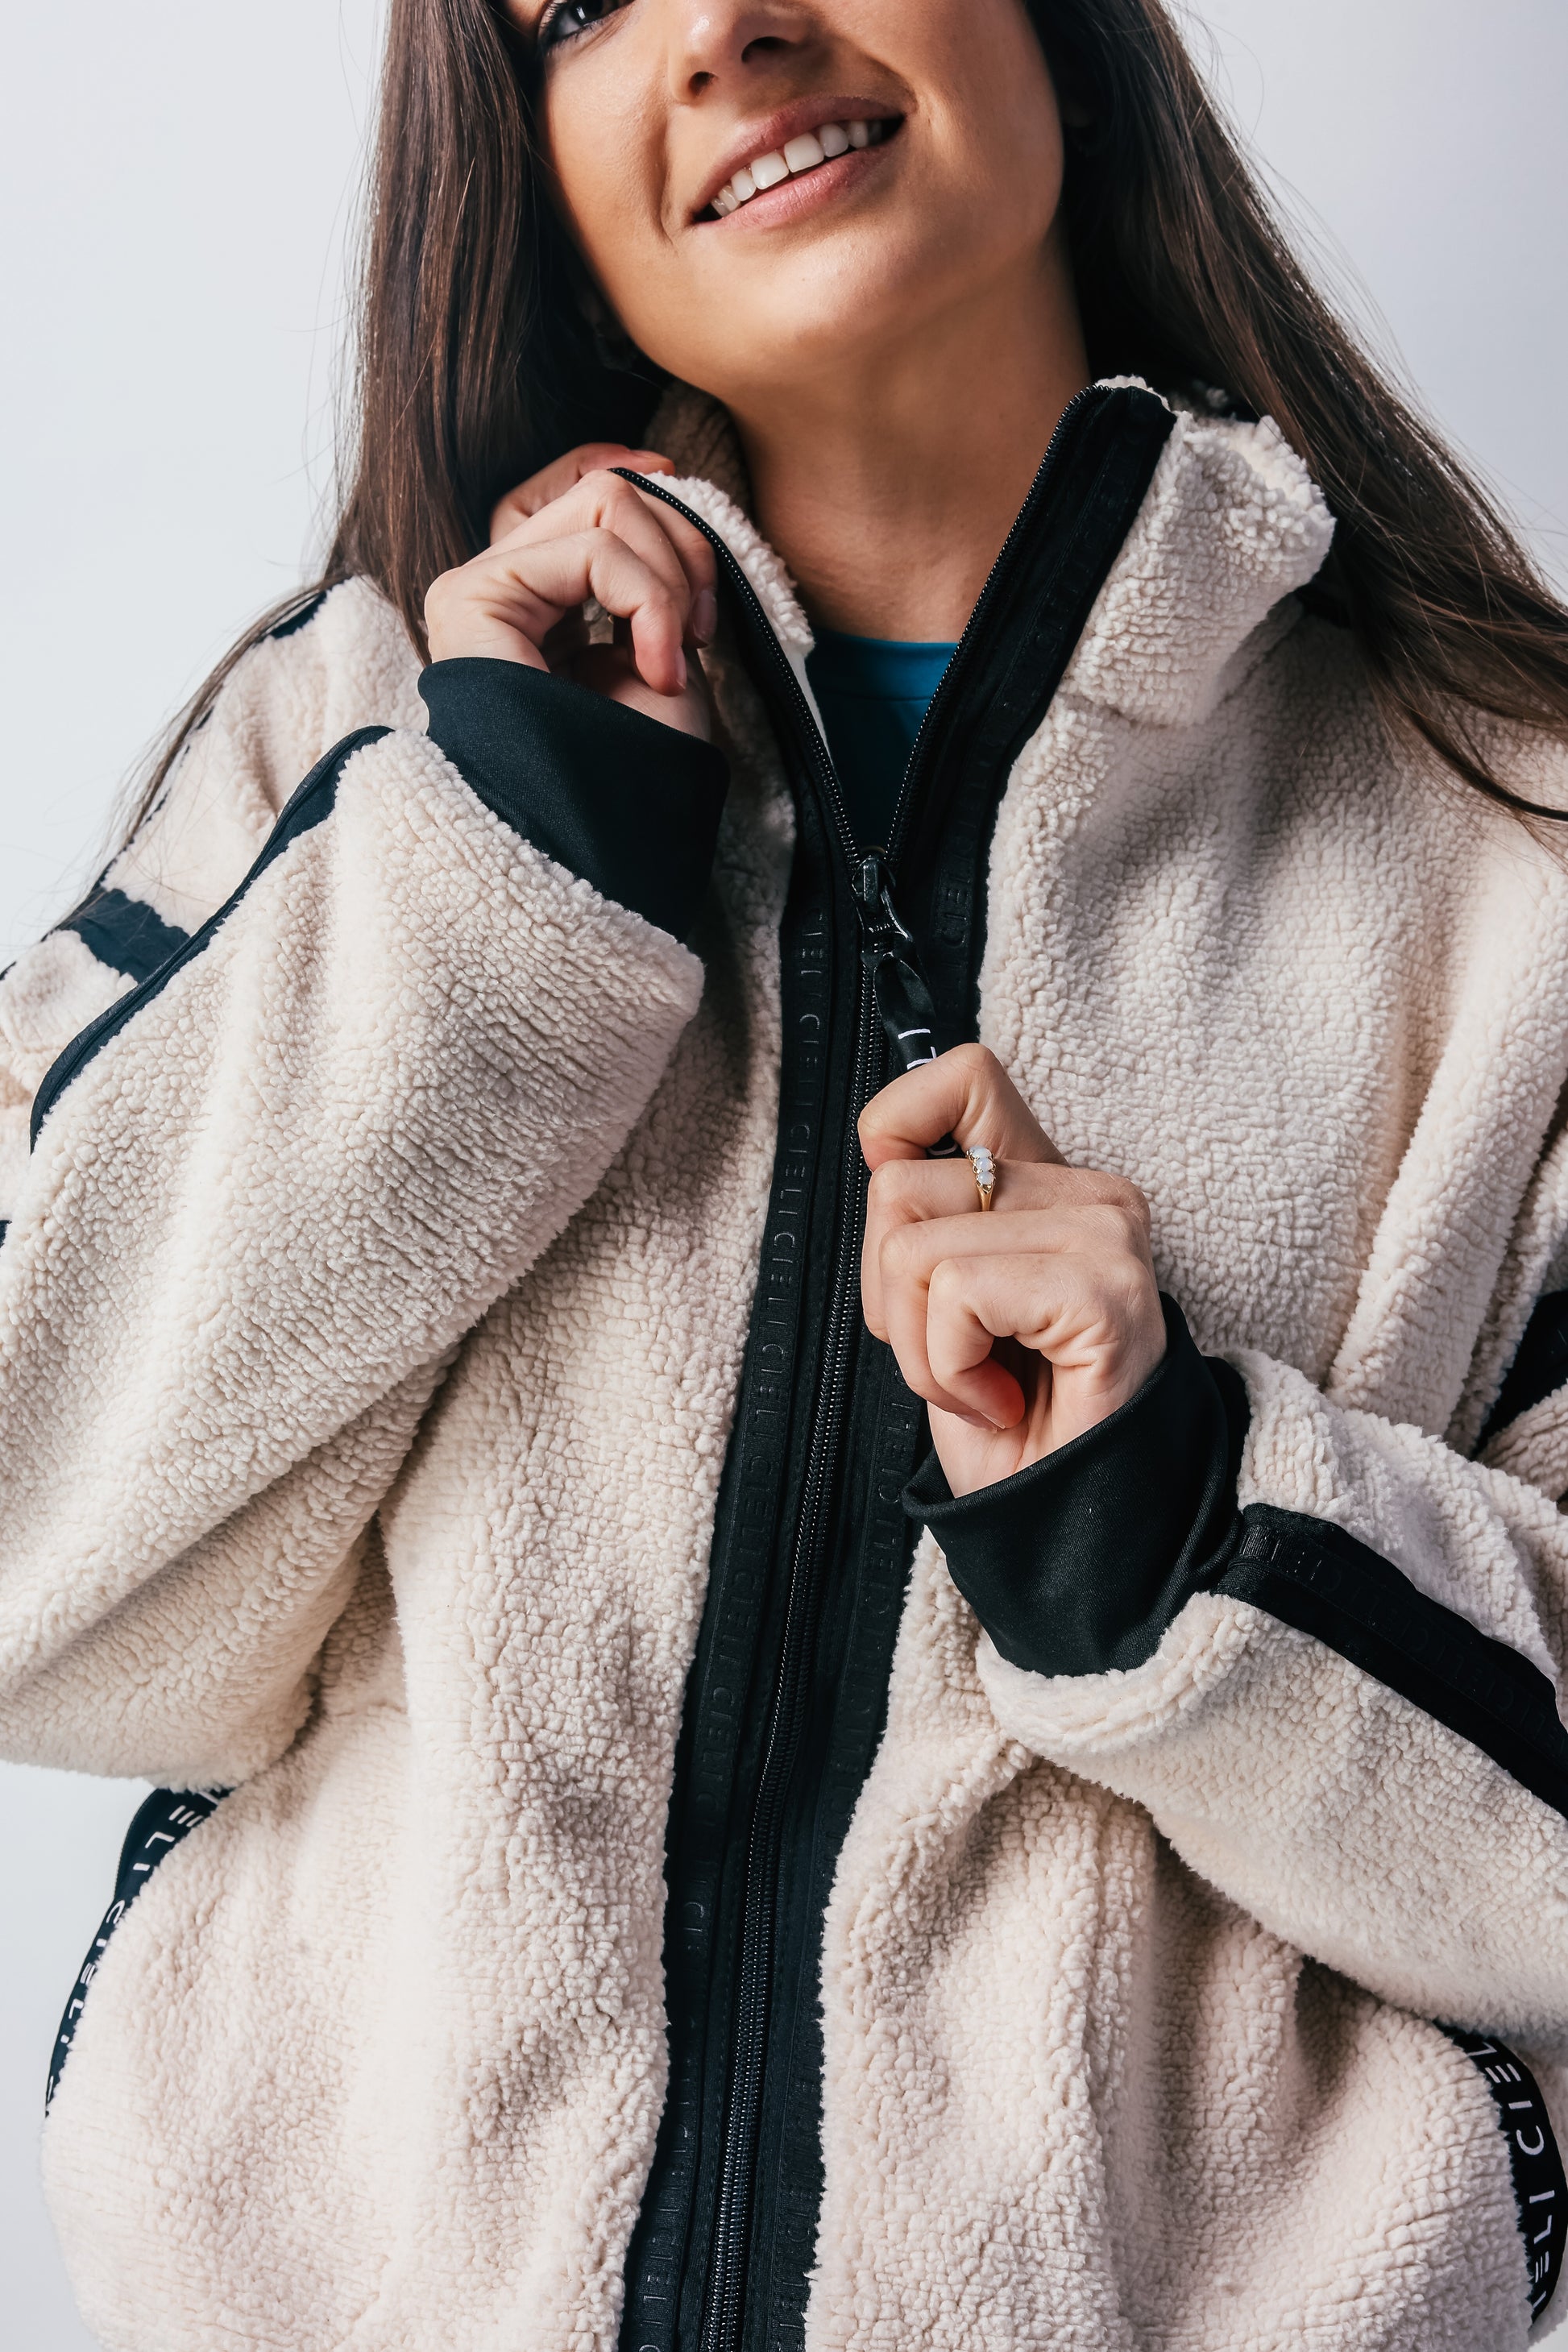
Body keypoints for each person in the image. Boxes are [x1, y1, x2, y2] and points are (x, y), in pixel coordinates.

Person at [5, 0, 1568, 2344]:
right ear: (528, 170)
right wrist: (505, 878)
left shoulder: (1506, 844)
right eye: (572, 8)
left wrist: (1180, 1524)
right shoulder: (348, 757)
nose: (726, 32)